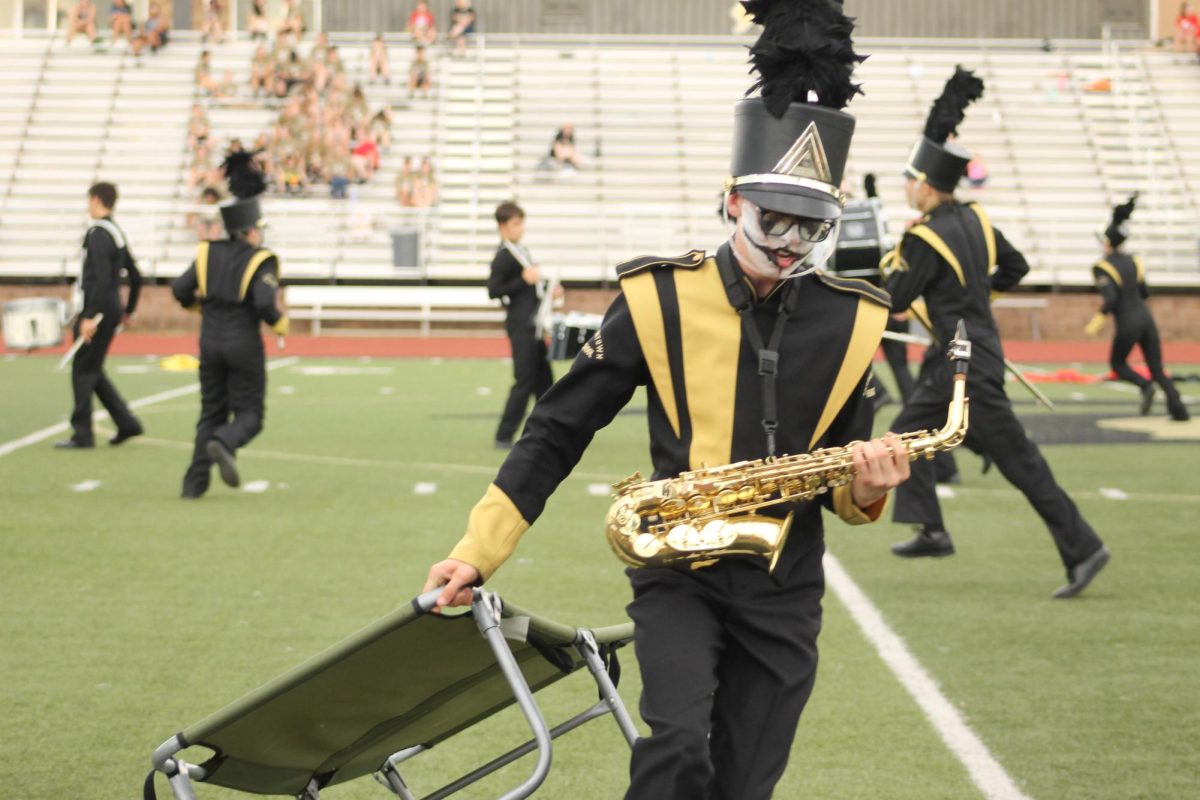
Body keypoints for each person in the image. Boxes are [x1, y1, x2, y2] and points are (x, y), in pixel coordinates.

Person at [425, 5, 911, 797]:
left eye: (811, 226)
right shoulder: (657, 299)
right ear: (731, 201)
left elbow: (846, 471)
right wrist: (476, 551)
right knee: (678, 747)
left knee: (743, 784)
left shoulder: (857, 316)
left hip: (787, 585)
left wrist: (866, 489)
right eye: (773, 219)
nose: (790, 244)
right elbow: (556, 430)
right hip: (677, 571)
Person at [882, 66, 1109, 598]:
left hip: (966, 367)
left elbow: (893, 299)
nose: (906, 189)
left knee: (1021, 463)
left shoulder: (924, 239)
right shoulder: (978, 220)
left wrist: (896, 254)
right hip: (964, 356)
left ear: (924, 184)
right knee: (904, 436)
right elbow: (1016, 266)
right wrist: (978, 301)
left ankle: (1083, 546)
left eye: (908, 181)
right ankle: (931, 528)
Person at [171, 152, 288, 499]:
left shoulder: (207, 252)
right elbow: (264, 304)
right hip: (243, 341)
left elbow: (179, 289)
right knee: (250, 413)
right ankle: (226, 442)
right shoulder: (261, 259)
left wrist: (197, 307)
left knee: (210, 411)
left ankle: (193, 485)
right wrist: (280, 323)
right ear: (251, 230)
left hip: (209, 338)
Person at [1085, 194, 1190, 421]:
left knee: (1117, 363)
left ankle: (1144, 386)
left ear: (1107, 242)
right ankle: (1179, 410)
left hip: (1128, 321)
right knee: (1157, 368)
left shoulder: (1102, 267)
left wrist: (1098, 318)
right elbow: (1145, 292)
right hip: (1146, 317)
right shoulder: (1135, 261)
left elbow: (1111, 298)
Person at [56, 182, 143, 449]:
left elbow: (102, 280)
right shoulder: (116, 232)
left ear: (96, 200)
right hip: (110, 308)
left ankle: (82, 433)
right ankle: (126, 423)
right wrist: (128, 310)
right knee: (92, 369)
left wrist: (89, 316)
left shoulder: (97, 233)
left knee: (82, 369)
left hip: (98, 310)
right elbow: (136, 276)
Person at [485, 202, 553, 449]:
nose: (520, 228)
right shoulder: (504, 256)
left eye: (521, 222)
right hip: (520, 325)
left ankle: (550, 430)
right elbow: (493, 290)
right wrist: (522, 280)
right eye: (515, 224)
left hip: (533, 324)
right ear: (503, 227)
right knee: (524, 380)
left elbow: (531, 288)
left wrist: (548, 290)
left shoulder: (521, 250)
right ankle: (504, 435)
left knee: (545, 383)